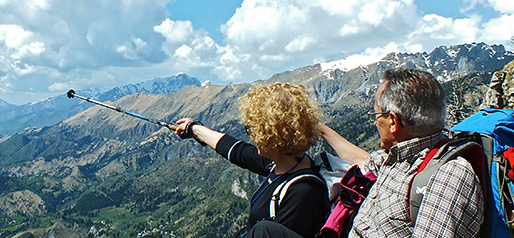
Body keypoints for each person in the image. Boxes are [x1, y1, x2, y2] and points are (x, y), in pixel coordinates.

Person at [319, 68, 483, 237]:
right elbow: (362, 160)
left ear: (392, 121)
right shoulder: (395, 159)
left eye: (375, 116)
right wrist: (319, 128)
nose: (375, 124)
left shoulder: (449, 175)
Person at [175, 82, 329, 238]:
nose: (251, 137)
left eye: (253, 129)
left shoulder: (302, 192)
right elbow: (235, 150)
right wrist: (193, 128)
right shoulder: (284, 162)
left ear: (273, 136)